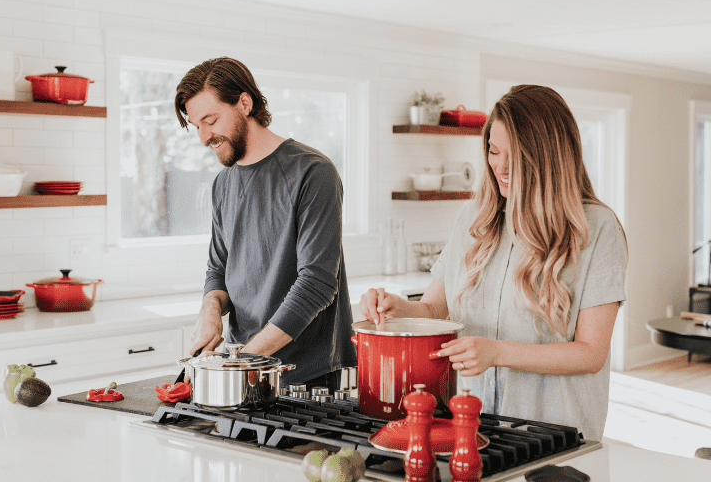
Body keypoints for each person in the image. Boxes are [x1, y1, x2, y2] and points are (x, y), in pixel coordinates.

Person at [360, 85, 627, 441]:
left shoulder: (596, 228)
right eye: (493, 150)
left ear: (549, 157)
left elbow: (591, 353)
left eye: (515, 155)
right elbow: (437, 308)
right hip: (470, 427)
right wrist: (400, 309)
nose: (500, 166)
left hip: (551, 434)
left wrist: (497, 352)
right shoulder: (474, 218)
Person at [174, 57, 356, 388]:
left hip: (306, 377)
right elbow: (218, 271)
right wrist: (210, 313)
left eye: (210, 120)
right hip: (242, 367)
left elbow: (316, 284)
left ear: (245, 103)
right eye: (196, 125)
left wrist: (242, 363)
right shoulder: (223, 184)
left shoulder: (312, 172)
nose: (203, 137)